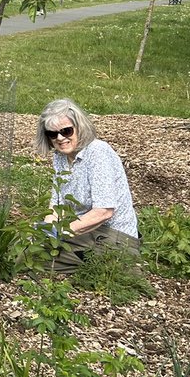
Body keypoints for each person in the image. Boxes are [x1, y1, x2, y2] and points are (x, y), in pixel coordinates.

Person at [35, 98, 139, 274]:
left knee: (34, 258)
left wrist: (59, 233)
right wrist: (45, 233)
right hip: (82, 233)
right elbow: (57, 206)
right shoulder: (60, 157)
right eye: (52, 134)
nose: (60, 138)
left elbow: (104, 212)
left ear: (79, 127)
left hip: (113, 236)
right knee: (27, 245)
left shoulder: (98, 152)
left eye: (66, 131)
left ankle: (116, 266)